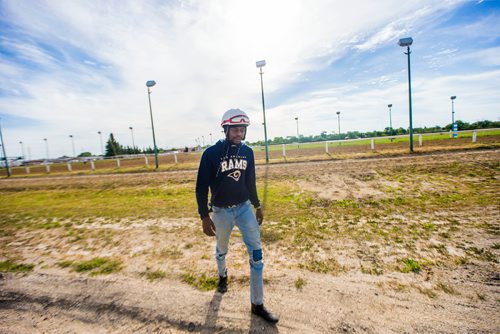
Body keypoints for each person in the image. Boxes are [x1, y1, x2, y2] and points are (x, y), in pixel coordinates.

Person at [195, 108, 279, 324]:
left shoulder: (248, 152)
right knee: (222, 249)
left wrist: (257, 205)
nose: (239, 133)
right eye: (235, 129)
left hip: (244, 209)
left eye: (242, 129)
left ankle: (257, 304)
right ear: (225, 128)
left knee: (257, 255)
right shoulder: (210, 154)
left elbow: (250, 181)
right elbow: (201, 186)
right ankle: (223, 276)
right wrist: (204, 215)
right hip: (221, 212)